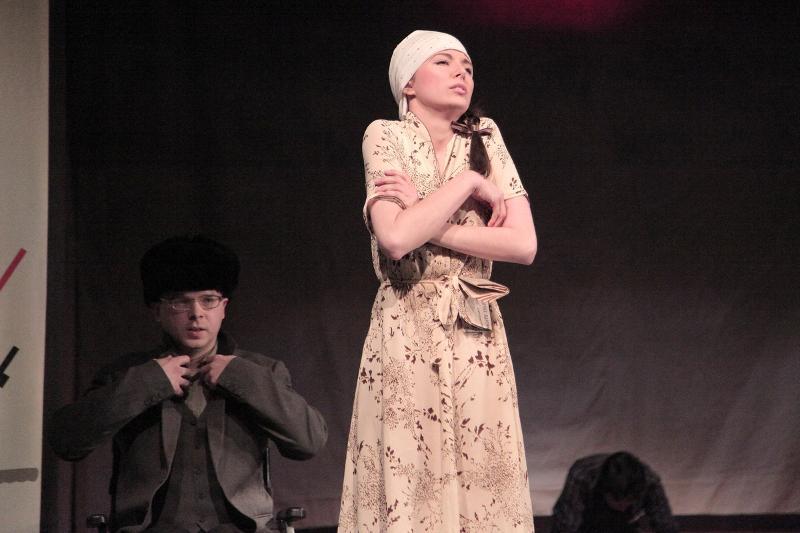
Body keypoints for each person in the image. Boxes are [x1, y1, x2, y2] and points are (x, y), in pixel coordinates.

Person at [338, 30, 537, 532]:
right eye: (444, 63)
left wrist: (430, 220)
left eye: (467, 67)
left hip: (475, 326)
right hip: (407, 323)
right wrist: (467, 184)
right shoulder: (385, 135)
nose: (461, 74)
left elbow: (522, 245)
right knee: (411, 470)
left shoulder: (484, 136)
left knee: (484, 472)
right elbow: (396, 237)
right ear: (408, 82)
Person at [49, 235, 328, 533]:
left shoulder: (262, 370)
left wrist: (241, 378)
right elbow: (66, 440)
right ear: (157, 311)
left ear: (223, 308)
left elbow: (308, 441)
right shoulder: (127, 374)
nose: (196, 314)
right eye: (181, 302)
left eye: (208, 300)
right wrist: (148, 382)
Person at [551, 451, 679, 533]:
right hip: (585, 523)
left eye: (629, 500)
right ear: (605, 490)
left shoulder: (651, 483)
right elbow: (565, 526)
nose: (623, 507)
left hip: (626, 525)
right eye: (618, 501)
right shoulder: (582, 476)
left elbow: (665, 524)